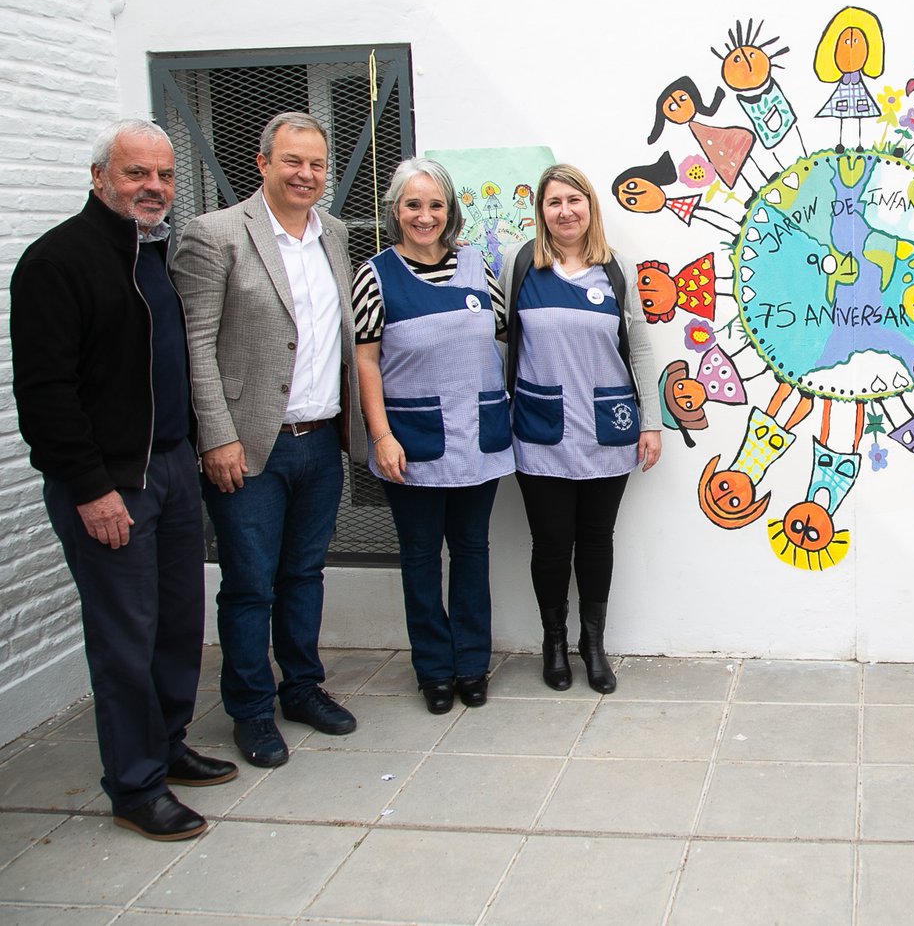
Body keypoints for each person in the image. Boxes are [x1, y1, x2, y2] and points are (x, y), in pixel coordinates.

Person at [11, 120, 237, 840]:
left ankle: (166, 745)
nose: (154, 187)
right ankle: (135, 785)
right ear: (99, 176)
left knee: (177, 621)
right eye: (137, 173)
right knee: (124, 637)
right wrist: (90, 487)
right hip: (112, 482)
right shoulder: (57, 262)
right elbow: (44, 394)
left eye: (164, 175)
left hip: (169, 466)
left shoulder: (157, 254)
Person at [169, 112, 365, 768]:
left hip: (321, 441)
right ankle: (251, 708)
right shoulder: (215, 234)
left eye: (317, 164)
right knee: (250, 584)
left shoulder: (334, 234)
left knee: (304, 574)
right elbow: (195, 344)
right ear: (262, 163)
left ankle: (302, 688)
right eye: (292, 161)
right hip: (251, 445)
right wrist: (215, 437)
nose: (306, 174)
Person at [353, 159, 514, 714]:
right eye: (413, 204)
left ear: (451, 211)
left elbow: (503, 336)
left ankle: (471, 663)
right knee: (421, 558)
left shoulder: (477, 267)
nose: (425, 216)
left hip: (478, 440)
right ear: (395, 210)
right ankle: (434, 670)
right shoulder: (375, 276)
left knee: (471, 552)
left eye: (435, 205)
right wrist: (380, 436)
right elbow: (366, 361)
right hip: (412, 443)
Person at [502, 164, 661, 694]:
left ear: (590, 207)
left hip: (608, 429)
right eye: (554, 202)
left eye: (575, 200)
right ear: (541, 211)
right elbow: (501, 344)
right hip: (539, 430)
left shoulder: (615, 269)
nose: (565, 211)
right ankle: (554, 643)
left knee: (596, 541)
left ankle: (593, 645)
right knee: (550, 544)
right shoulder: (520, 265)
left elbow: (639, 347)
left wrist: (651, 423)